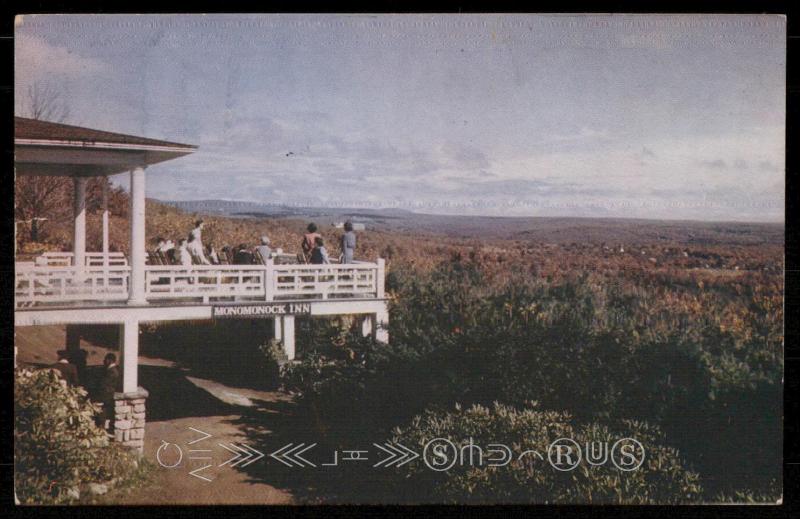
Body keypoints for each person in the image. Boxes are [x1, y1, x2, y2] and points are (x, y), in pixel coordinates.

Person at [97, 353, 120, 430]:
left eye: (105, 359)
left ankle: (102, 429)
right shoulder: (110, 370)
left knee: (104, 414)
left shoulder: (112, 372)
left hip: (107, 396)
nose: (104, 361)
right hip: (107, 395)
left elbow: (106, 385)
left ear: (110, 360)